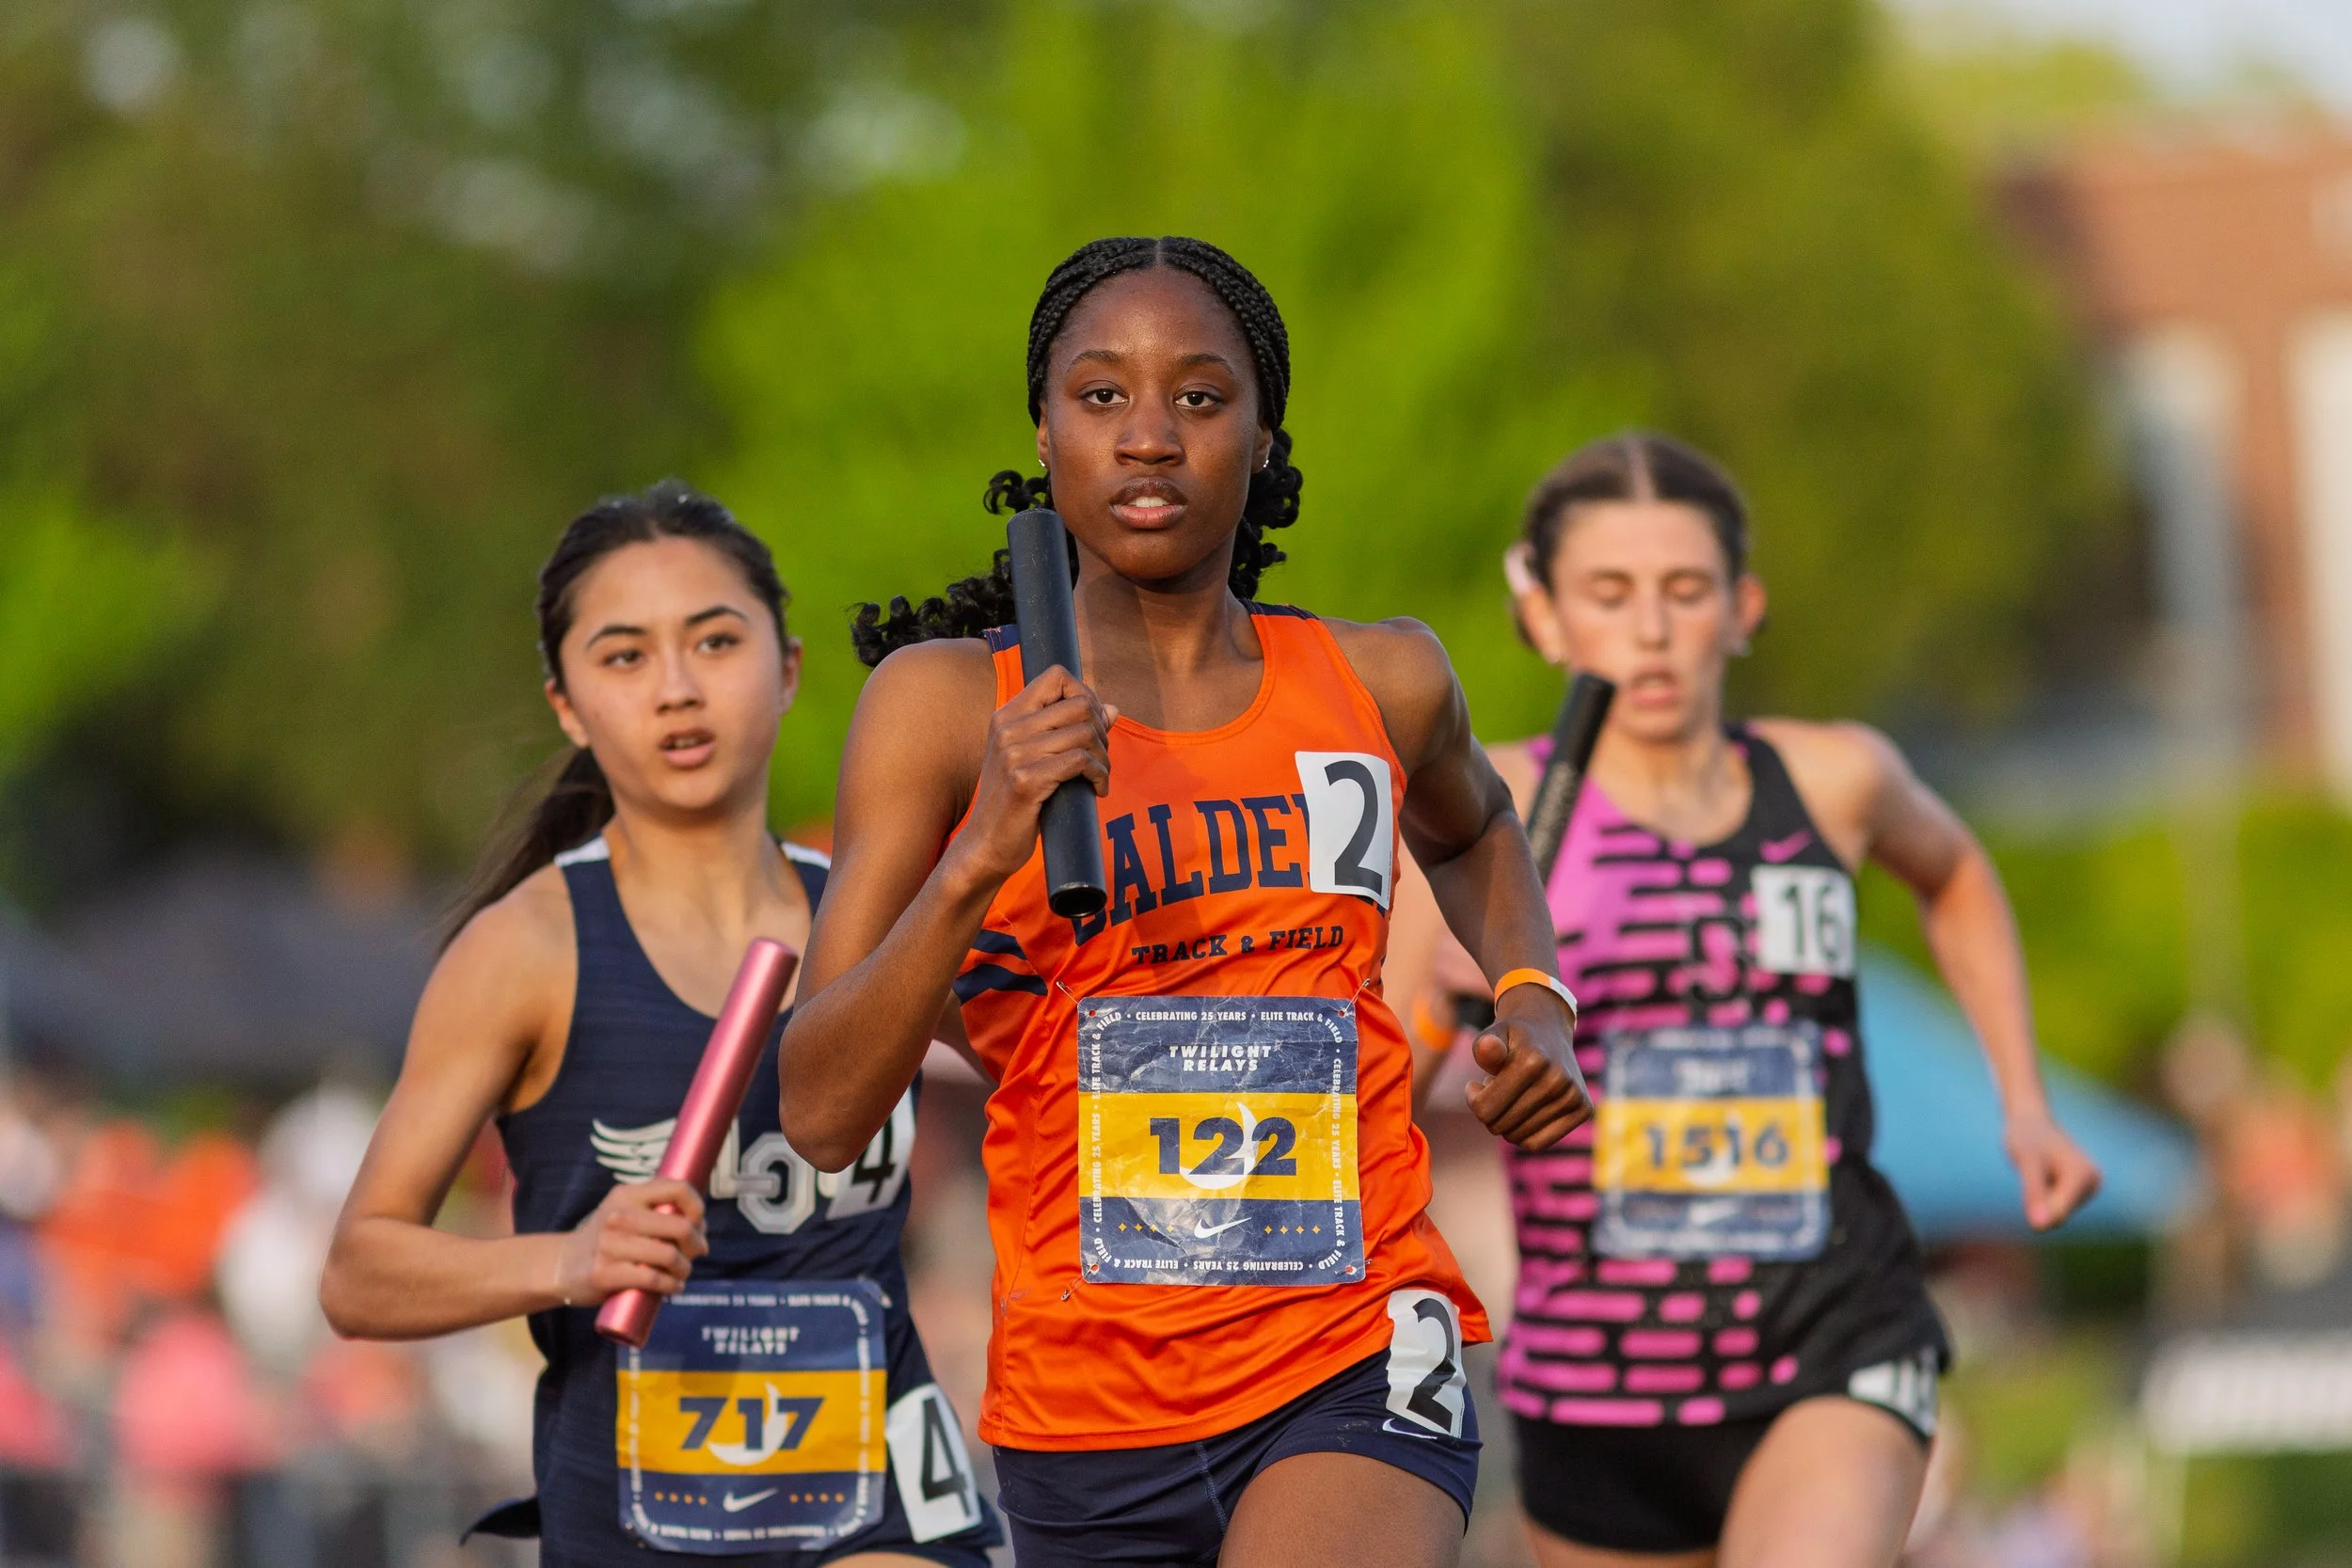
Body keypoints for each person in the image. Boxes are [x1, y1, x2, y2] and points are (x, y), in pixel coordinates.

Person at [775, 235, 1591, 1568]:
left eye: (1200, 398)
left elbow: (1482, 824)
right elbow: (817, 1106)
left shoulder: (1382, 680)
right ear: (1042, 433)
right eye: (1103, 397)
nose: (1149, 436)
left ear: (1264, 439)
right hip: (1087, 1400)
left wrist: (1532, 994)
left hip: (1356, 1341)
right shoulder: (935, 708)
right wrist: (984, 845)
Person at [1387, 433, 2105, 1568]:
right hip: (1595, 1380)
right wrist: (1445, 1006)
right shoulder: (1481, 816)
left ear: (1742, 605)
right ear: (1545, 616)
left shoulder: (1834, 776)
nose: (1653, 629)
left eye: (1685, 590)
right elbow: (1381, 1101)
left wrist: (2022, 1097)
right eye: (1610, 594)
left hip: (1832, 1335)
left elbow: (1956, 874)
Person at [320, 483, 1000, 1568]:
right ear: (567, 706)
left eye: (715, 640)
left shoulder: (883, 922)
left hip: (883, 1501)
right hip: (641, 1521)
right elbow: (358, 1273)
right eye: (625, 656)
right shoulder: (526, 950)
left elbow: (1068, 1085)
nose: (678, 688)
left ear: (788, 668)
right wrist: (572, 1258)